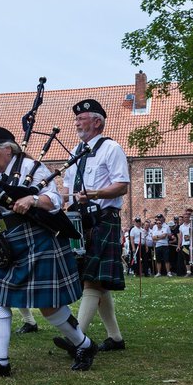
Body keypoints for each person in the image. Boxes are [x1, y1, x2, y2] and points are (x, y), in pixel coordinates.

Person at [0, 126, 96, 378]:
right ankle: (0, 362)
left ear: (7, 149)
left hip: (38, 241)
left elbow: (55, 201)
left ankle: (84, 345)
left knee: (48, 306)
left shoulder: (31, 169)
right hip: (9, 244)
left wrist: (33, 200)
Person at [55, 98, 131, 352]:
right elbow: (67, 186)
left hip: (103, 218)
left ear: (97, 122)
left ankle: (77, 337)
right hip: (79, 220)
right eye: (76, 119)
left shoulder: (111, 148)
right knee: (96, 280)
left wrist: (96, 194)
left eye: (81, 118)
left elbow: (122, 185)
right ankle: (116, 338)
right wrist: (60, 205)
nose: (76, 122)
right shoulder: (76, 152)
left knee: (92, 280)